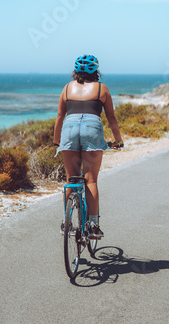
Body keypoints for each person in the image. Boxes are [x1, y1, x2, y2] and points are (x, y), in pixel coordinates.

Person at [53, 54, 123, 238]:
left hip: (69, 129)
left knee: (71, 178)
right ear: (96, 71)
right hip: (92, 128)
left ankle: (66, 224)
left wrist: (56, 141)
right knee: (90, 180)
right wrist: (118, 140)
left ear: (75, 71)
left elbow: (60, 117)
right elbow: (111, 118)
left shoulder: (67, 88)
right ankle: (92, 225)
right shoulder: (102, 89)